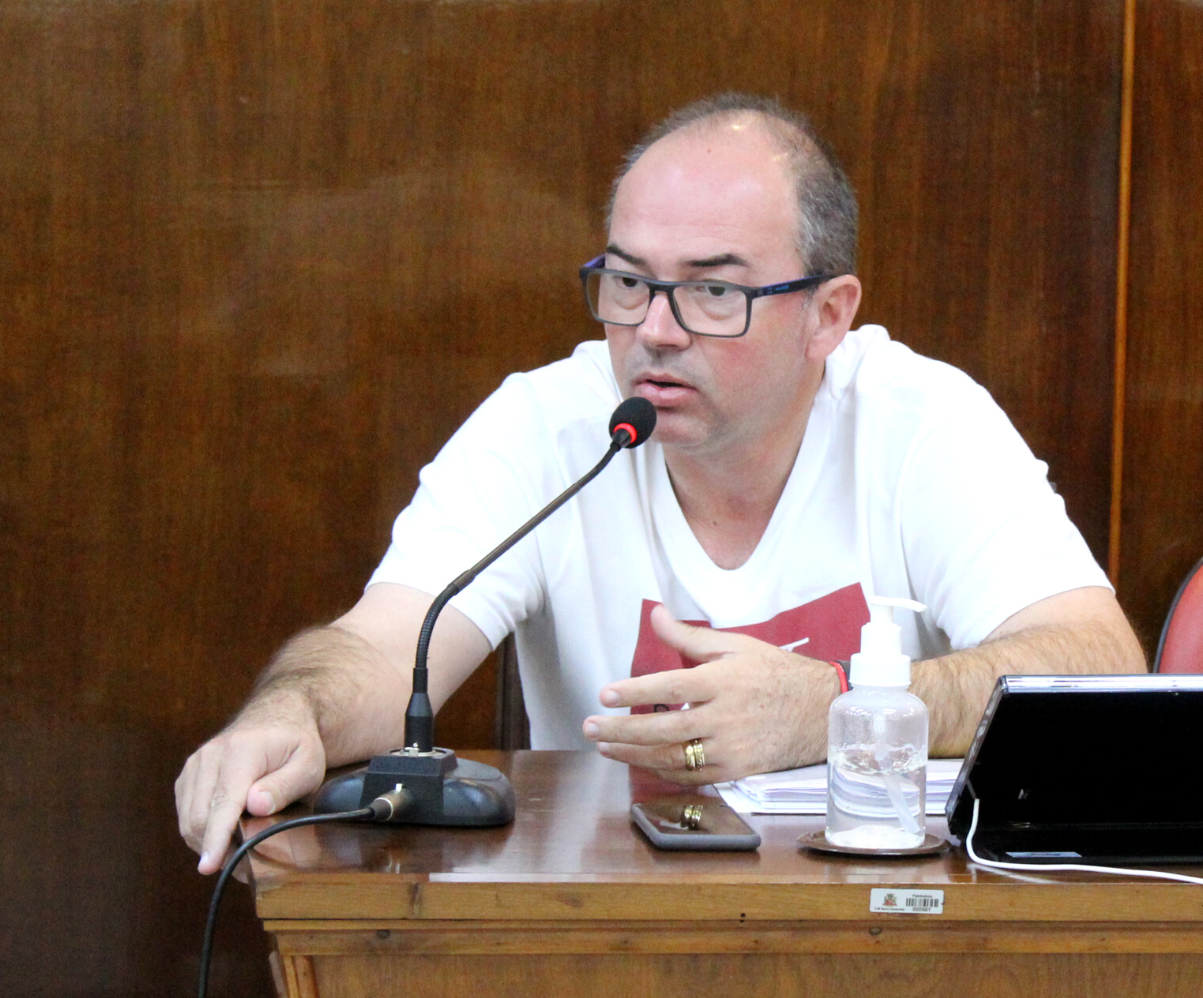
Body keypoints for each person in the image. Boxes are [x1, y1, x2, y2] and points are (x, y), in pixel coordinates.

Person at [176, 93, 1146, 875]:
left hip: (886, 936)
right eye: (630, 282)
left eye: (714, 290)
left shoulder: (918, 422)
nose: (655, 331)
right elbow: (387, 651)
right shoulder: (551, 426)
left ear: (827, 315)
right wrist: (290, 712)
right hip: (609, 932)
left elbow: (1096, 669)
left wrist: (831, 706)